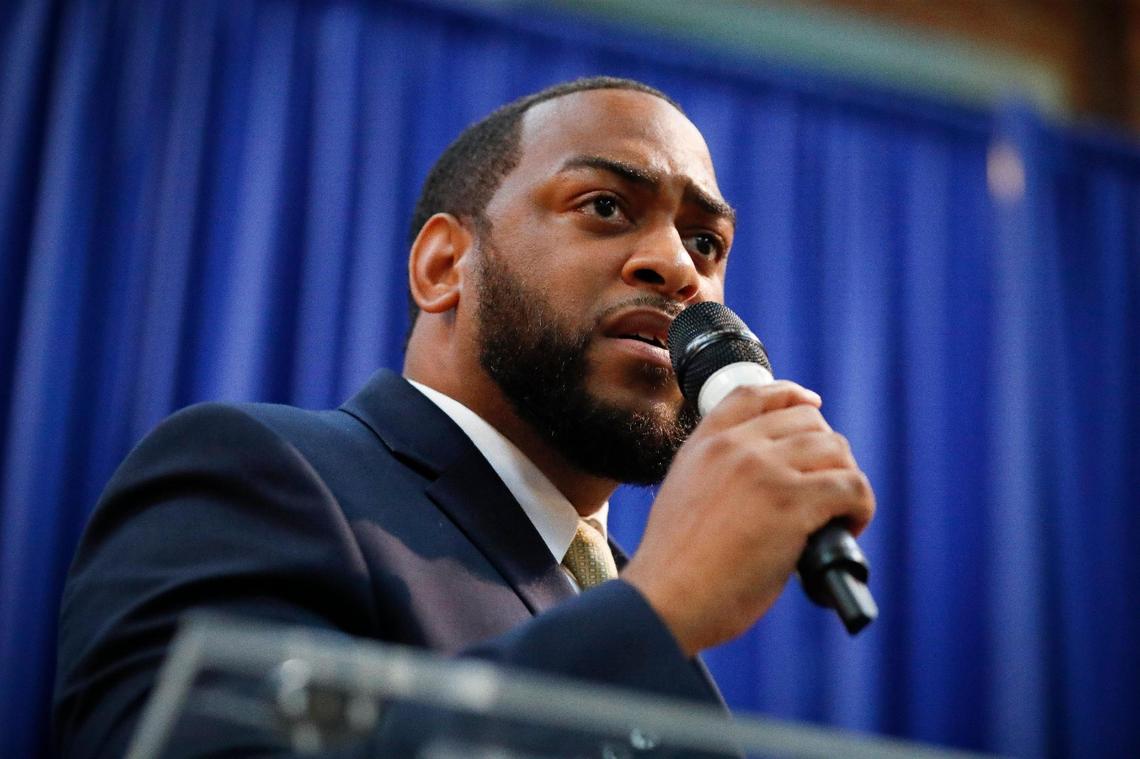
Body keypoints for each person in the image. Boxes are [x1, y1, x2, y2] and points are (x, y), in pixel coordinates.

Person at [54, 76, 875, 757]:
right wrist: (656, 611)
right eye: (604, 205)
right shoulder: (252, 471)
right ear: (446, 264)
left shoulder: (632, 601)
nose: (676, 266)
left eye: (706, 243)